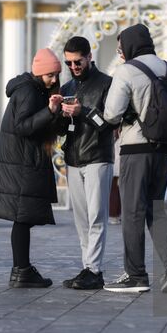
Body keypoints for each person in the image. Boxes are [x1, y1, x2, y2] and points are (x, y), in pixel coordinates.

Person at [89, 24, 167, 293]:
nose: (120, 52)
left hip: (136, 150)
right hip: (164, 151)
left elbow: (112, 114)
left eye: (121, 48)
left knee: (132, 213)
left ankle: (136, 275)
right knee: (157, 211)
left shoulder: (127, 71)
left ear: (129, 46)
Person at [0, 48, 66, 288]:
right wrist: (49, 111)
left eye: (56, 74)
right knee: (21, 218)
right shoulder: (28, 91)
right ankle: (21, 270)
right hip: (21, 164)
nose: (54, 79)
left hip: (23, 162)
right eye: (50, 75)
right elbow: (22, 126)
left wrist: (57, 113)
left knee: (24, 218)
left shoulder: (36, 89)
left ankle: (22, 269)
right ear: (39, 72)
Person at [57, 35, 115, 291]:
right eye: (68, 63)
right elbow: (64, 128)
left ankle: (94, 269)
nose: (73, 67)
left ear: (89, 57)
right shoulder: (67, 88)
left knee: (96, 216)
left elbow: (109, 125)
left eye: (77, 62)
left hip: (97, 157)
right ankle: (87, 268)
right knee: (81, 218)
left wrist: (84, 112)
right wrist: (57, 112)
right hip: (73, 158)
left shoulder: (107, 84)